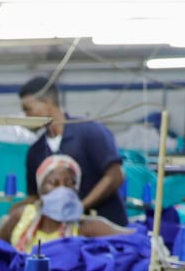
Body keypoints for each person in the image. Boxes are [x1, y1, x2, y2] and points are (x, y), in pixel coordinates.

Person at [19, 77, 126, 225]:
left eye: (28, 109)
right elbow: (35, 196)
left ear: (46, 103)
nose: (26, 116)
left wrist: (80, 208)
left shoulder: (90, 132)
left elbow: (115, 176)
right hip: (63, 234)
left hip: (106, 230)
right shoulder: (36, 152)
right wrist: (16, 211)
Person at [0, 153, 130, 254]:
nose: (62, 190)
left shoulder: (86, 227)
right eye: (54, 183)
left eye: (69, 183)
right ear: (41, 189)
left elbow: (133, 239)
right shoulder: (23, 216)